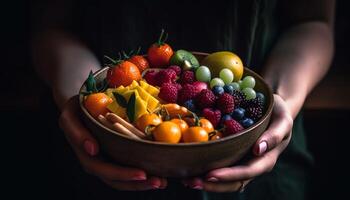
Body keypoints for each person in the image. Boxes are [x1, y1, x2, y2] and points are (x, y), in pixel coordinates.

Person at [32, 0, 335, 199]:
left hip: (264, 173)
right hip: (88, 176)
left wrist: (278, 101)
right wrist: (80, 100)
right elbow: (50, 27)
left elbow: (313, 22)